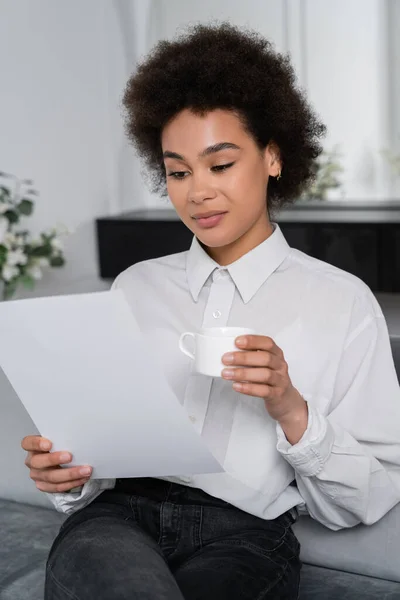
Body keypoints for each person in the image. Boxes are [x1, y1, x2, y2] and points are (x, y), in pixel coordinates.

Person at [21, 23, 400, 600]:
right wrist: (66, 475)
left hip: (248, 534)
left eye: (219, 165)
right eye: (178, 171)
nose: (197, 191)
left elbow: (368, 499)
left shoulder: (342, 301)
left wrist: (290, 407)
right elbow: (97, 452)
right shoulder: (136, 286)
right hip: (117, 519)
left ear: (273, 157)